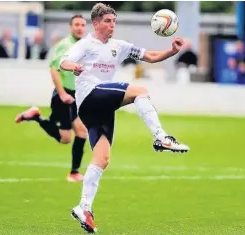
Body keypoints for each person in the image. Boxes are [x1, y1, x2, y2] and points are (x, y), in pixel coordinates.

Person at [60, 3, 189, 233]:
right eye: (108, 21)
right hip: (90, 97)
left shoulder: (119, 46)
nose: (112, 25)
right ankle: (161, 136)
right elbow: (64, 61)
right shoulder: (85, 44)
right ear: (96, 23)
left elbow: (149, 55)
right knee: (139, 91)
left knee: (102, 158)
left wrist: (171, 51)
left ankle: (84, 207)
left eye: (114, 21)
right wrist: (75, 66)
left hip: (102, 108)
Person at [15, 15, 88, 182]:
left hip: (75, 95)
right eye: (76, 24)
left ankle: (74, 172)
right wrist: (62, 94)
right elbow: (54, 70)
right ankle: (36, 117)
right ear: (70, 27)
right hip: (63, 95)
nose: (79, 28)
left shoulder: (83, 46)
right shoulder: (65, 45)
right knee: (65, 138)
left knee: (82, 131)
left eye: (82, 25)